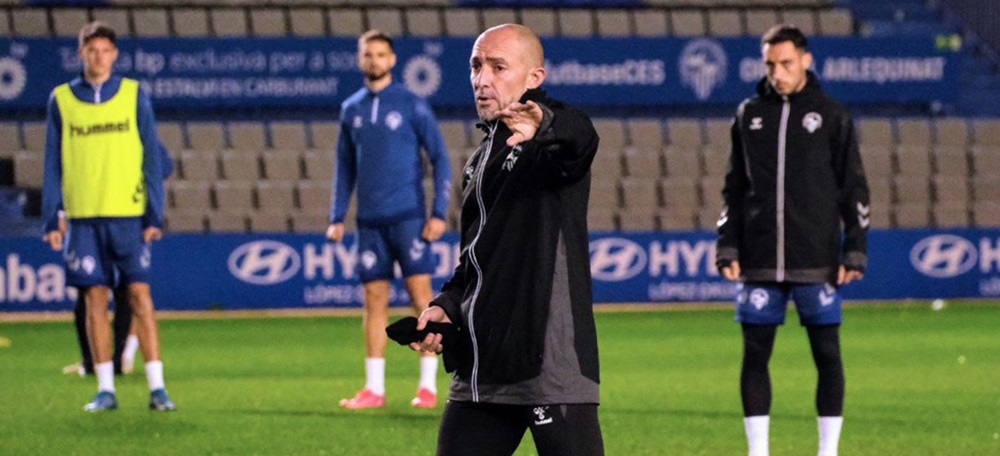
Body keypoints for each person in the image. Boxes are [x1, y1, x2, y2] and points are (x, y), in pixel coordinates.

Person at [410, 24, 603, 456]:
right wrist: (445, 306)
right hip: (482, 367)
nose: (482, 79)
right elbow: (475, 260)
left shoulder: (547, 140)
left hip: (548, 364)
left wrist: (546, 125)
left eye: (498, 67)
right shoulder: (479, 159)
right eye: (476, 66)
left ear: (534, 78)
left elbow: (581, 138)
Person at [715, 25, 870, 456]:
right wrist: (727, 243)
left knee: (827, 355)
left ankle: (827, 451)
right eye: (770, 64)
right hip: (759, 259)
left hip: (816, 258)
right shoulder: (748, 113)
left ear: (806, 60)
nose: (778, 72)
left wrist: (855, 248)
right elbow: (733, 187)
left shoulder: (833, 115)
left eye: (785, 63)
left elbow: (854, 188)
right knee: (755, 355)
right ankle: (758, 452)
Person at [41, 21, 176, 412]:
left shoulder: (134, 95)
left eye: (105, 50)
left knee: (140, 295)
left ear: (114, 55)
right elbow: (53, 163)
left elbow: (151, 157)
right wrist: (54, 216)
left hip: (128, 216)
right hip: (84, 219)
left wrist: (155, 212)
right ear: (80, 53)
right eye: (91, 50)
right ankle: (104, 388)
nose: (99, 57)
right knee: (93, 299)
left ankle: (158, 388)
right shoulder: (61, 99)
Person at [326, 30, 452, 409]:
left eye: (381, 54)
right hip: (370, 222)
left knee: (421, 298)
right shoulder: (351, 108)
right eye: (368, 54)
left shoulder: (412, 103)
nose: (374, 60)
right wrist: (336, 216)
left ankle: (428, 387)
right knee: (373, 299)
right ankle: (374, 389)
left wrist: (439, 212)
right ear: (360, 59)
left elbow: (441, 158)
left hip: (409, 218)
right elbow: (344, 167)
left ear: (392, 60)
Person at [62, 140, 172, 377]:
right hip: (95, 217)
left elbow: (162, 167)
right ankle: (93, 360)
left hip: (129, 221)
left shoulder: (137, 133)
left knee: (127, 292)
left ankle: (118, 359)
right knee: (91, 293)